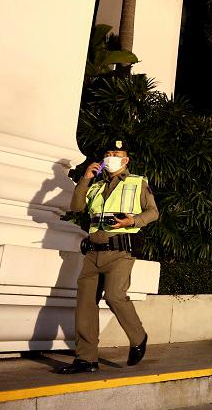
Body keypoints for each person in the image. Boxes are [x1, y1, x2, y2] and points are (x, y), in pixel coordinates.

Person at [57, 139, 158, 374]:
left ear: (126, 159)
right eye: (108, 153)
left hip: (121, 252)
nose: (111, 156)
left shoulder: (137, 182)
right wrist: (85, 178)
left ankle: (138, 337)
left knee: (114, 296)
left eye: (117, 153)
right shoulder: (95, 186)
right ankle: (86, 359)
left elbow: (153, 212)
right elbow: (76, 207)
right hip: (93, 253)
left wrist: (133, 221)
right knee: (85, 305)